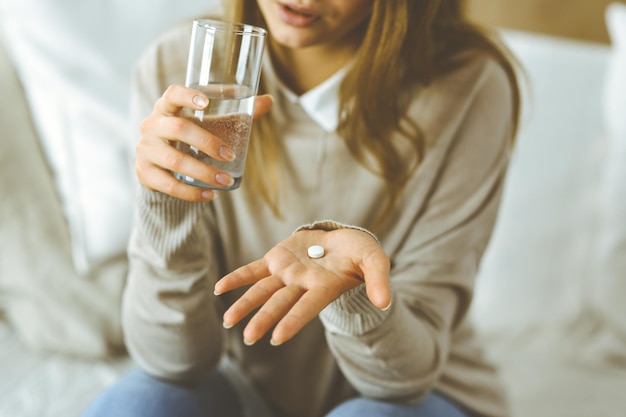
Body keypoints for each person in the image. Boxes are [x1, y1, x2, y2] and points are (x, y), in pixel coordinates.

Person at [82, 0, 521, 416]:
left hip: (409, 393)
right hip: (239, 385)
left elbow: (401, 381)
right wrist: (165, 205)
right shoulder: (182, 67)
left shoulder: (468, 86)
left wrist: (354, 295)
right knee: (141, 404)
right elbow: (171, 363)